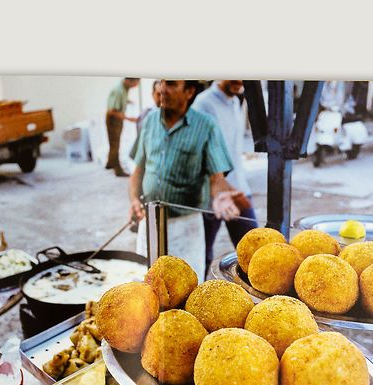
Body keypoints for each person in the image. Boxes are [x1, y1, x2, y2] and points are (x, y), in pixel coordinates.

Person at [129, 79, 247, 281]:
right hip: (149, 222)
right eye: (161, 83)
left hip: (185, 227)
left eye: (172, 84)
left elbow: (216, 177)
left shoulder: (207, 126)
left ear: (190, 91)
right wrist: (133, 199)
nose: (162, 89)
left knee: (184, 292)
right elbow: (139, 170)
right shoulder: (149, 121)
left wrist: (220, 195)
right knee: (145, 291)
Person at [192, 80, 259, 278]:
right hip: (211, 192)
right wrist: (222, 187)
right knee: (203, 254)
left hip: (237, 185)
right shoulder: (203, 104)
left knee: (253, 251)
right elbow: (200, 154)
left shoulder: (236, 102)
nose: (239, 81)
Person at [106, 77, 140, 177]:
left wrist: (128, 101)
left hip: (117, 118)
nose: (136, 86)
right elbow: (112, 111)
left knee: (114, 143)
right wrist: (129, 118)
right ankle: (118, 169)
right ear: (129, 81)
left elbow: (120, 100)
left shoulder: (125, 89)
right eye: (136, 83)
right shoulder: (119, 90)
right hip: (113, 119)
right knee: (115, 144)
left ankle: (109, 164)